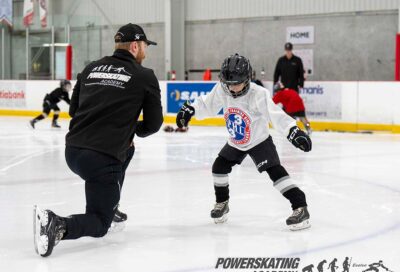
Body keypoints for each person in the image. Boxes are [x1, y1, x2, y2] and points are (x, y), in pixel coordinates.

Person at [33, 23, 163, 257]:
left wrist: (123, 133)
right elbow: (153, 125)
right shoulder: (145, 76)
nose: (146, 51)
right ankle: (57, 224)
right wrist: (131, 130)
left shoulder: (90, 68)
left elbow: (74, 111)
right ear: (135, 46)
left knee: (128, 149)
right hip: (102, 160)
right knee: (100, 224)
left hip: (72, 152)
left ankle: (111, 207)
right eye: (145, 46)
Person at [176, 54, 312, 230]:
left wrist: (293, 132)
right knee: (219, 168)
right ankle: (222, 204)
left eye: (236, 83)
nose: (232, 88)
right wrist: (190, 109)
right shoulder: (222, 89)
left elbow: (275, 115)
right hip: (236, 141)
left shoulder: (258, 94)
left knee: (275, 173)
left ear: (248, 78)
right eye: (228, 83)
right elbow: (207, 104)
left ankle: (300, 206)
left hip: (258, 140)